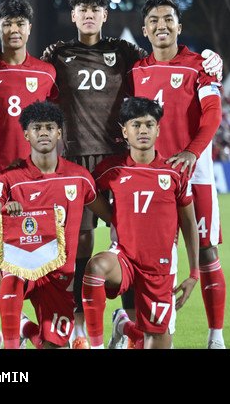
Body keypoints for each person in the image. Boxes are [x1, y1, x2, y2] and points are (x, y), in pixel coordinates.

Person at [42, 0, 222, 348]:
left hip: (153, 167)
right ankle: (85, 328)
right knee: (89, 243)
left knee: (168, 245)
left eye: (95, 9)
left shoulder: (128, 54)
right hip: (98, 164)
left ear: (105, 15)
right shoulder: (61, 55)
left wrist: (212, 59)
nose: (89, 15)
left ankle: (173, 329)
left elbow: (201, 98)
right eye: (82, 9)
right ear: (73, 15)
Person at [130, 0, 226, 349]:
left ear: (179, 26)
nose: (162, 25)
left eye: (168, 19)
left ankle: (216, 337)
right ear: (144, 30)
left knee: (207, 251)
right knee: (153, 257)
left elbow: (213, 114)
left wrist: (191, 152)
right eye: (154, 20)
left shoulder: (199, 66)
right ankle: (147, 332)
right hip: (152, 179)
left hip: (195, 174)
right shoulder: (135, 71)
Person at [0, 101, 111, 348]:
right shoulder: (10, 178)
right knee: (11, 280)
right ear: (27, 134)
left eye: (50, 127)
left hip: (59, 276)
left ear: (59, 132)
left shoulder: (79, 177)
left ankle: (27, 328)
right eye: (37, 128)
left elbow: (111, 216)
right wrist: (2, 210)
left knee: (55, 345)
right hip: (22, 267)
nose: (44, 133)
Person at [82, 96, 199, 349]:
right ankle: (97, 345)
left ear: (158, 130)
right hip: (124, 257)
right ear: (125, 131)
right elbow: (86, 191)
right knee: (96, 267)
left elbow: (189, 223)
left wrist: (194, 273)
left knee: (154, 341)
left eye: (149, 124)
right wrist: (113, 216)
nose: (142, 130)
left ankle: (123, 325)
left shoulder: (174, 172)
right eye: (136, 125)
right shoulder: (111, 169)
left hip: (160, 268)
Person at [0, 0, 58, 348]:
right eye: (7, 24)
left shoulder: (46, 72)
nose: (14, 30)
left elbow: (53, 123)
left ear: (29, 28)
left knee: (38, 252)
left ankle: (32, 325)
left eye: (20, 24)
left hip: (36, 179)